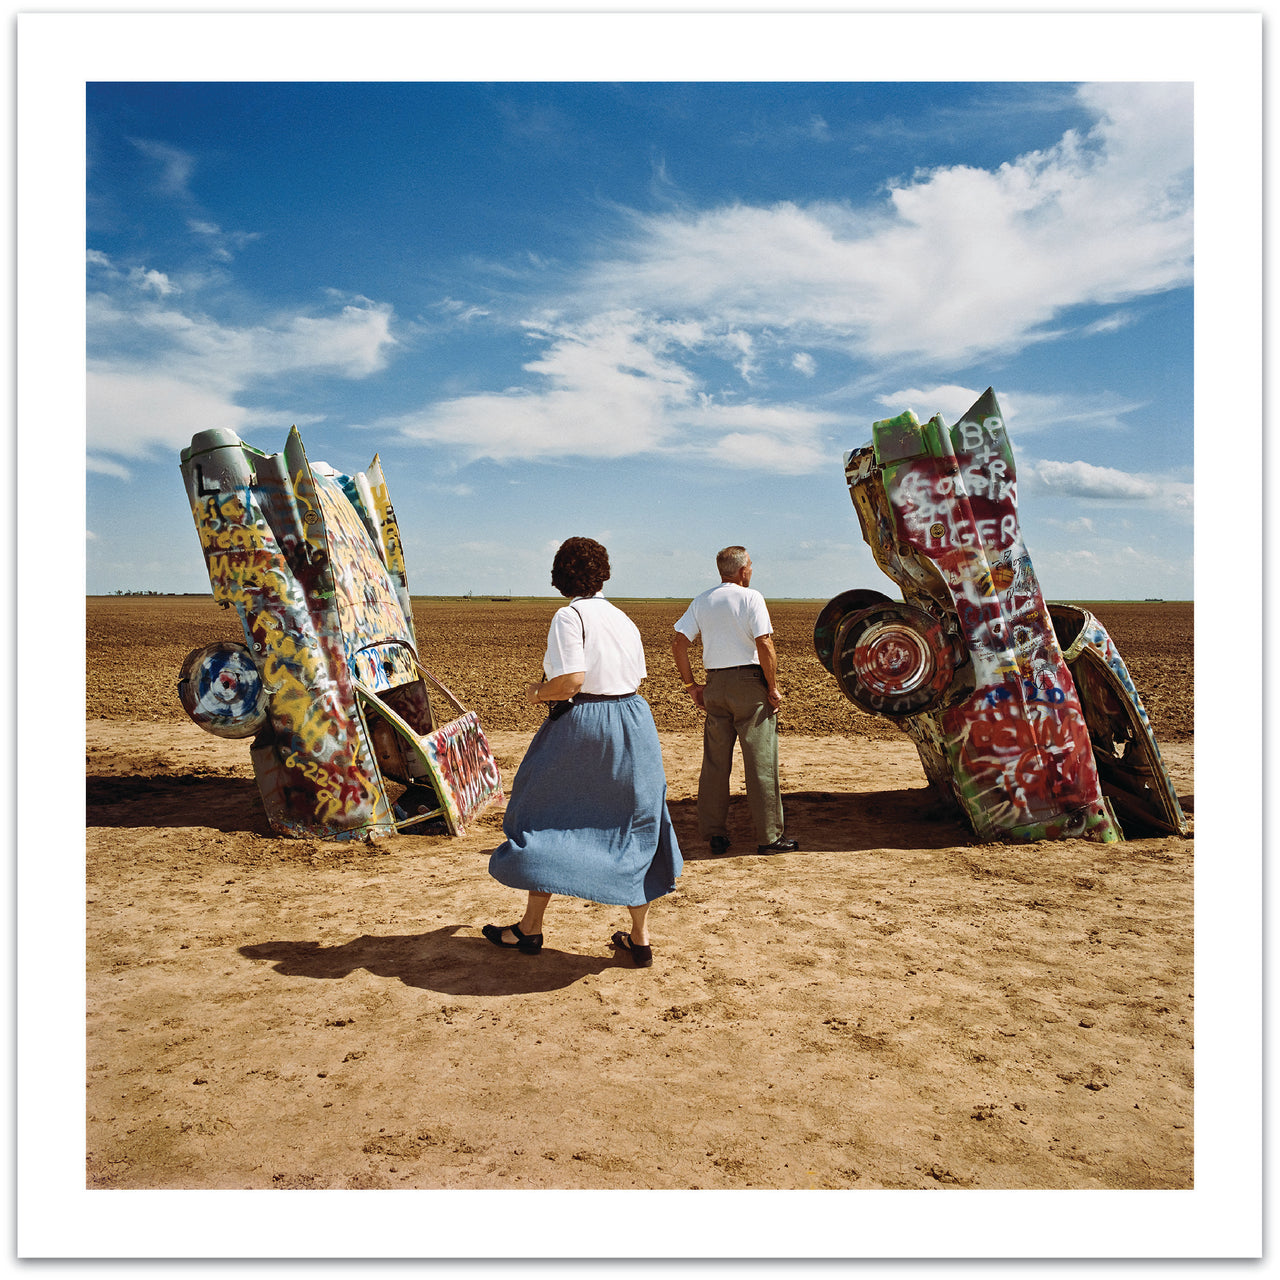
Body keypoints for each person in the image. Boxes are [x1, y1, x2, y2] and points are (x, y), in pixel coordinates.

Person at [483, 537, 682, 968]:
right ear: (603, 573)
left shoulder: (568, 616)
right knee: (636, 823)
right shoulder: (623, 619)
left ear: (561, 576)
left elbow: (573, 679)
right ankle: (639, 938)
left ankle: (530, 929)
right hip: (634, 721)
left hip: (587, 724)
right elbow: (637, 674)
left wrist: (538, 693)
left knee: (546, 815)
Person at [671, 545, 798, 856]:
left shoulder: (703, 600)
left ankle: (715, 834)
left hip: (715, 685)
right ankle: (769, 837)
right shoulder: (751, 597)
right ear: (743, 570)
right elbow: (764, 643)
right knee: (760, 763)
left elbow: (678, 644)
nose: (751, 570)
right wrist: (772, 686)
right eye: (751, 565)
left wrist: (691, 686)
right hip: (748, 686)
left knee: (715, 764)